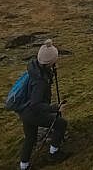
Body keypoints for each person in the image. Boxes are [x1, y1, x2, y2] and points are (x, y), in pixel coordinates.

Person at [18, 39, 69, 169]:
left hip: (25, 111)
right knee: (60, 123)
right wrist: (55, 108)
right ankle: (54, 153)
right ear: (50, 62)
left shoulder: (35, 69)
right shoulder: (41, 81)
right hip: (33, 112)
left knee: (30, 138)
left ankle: (24, 166)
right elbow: (36, 104)